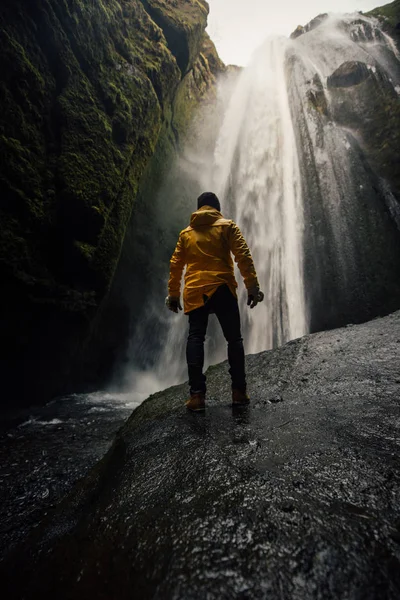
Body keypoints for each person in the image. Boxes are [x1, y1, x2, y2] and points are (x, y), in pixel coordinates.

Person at [166, 192, 264, 412]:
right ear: (217, 208)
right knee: (234, 339)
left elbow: (175, 266)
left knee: (195, 338)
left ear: (198, 208)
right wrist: (252, 287)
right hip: (222, 288)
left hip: (195, 291)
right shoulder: (227, 226)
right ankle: (239, 392)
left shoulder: (186, 234)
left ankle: (197, 396)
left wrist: (173, 294)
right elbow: (243, 256)